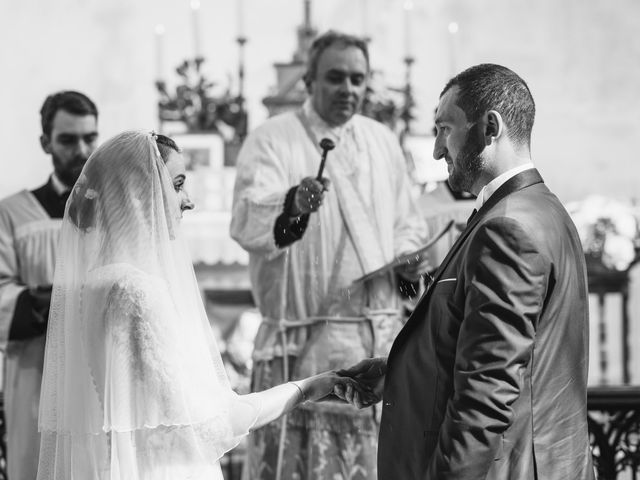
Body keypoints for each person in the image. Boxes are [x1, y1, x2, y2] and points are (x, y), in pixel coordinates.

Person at [36, 131, 361, 480]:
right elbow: (213, 429)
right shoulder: (137, 290)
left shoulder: (92, 284)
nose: (188, 201)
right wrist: (310, 387)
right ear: (138, 194)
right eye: (177, 185)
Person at [336, 64, 596, 479]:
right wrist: (400, 372)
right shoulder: (543, 208)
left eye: (445, 129)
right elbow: (496, 350)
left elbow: (487, 393)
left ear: (489, 127)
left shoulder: (508, 228)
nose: (438, 150)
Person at [230, 31, 428, 479]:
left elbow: (407, 223)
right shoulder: (271, 141)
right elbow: (245, 218)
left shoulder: (382, 140)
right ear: (309, 80)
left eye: (358, 79)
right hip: (300, 346)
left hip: (376, 346)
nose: (348, 89)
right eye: (335, 77)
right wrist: (293, 205)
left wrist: (408, 261)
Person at [0, 90, 98, 480]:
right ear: (45, 143)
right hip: (35, 373)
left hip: (96, 374)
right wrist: (57, 300)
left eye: (90, 138)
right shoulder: (13, 214)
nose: (82, 149)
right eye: (68, 139)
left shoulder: (112, 210)